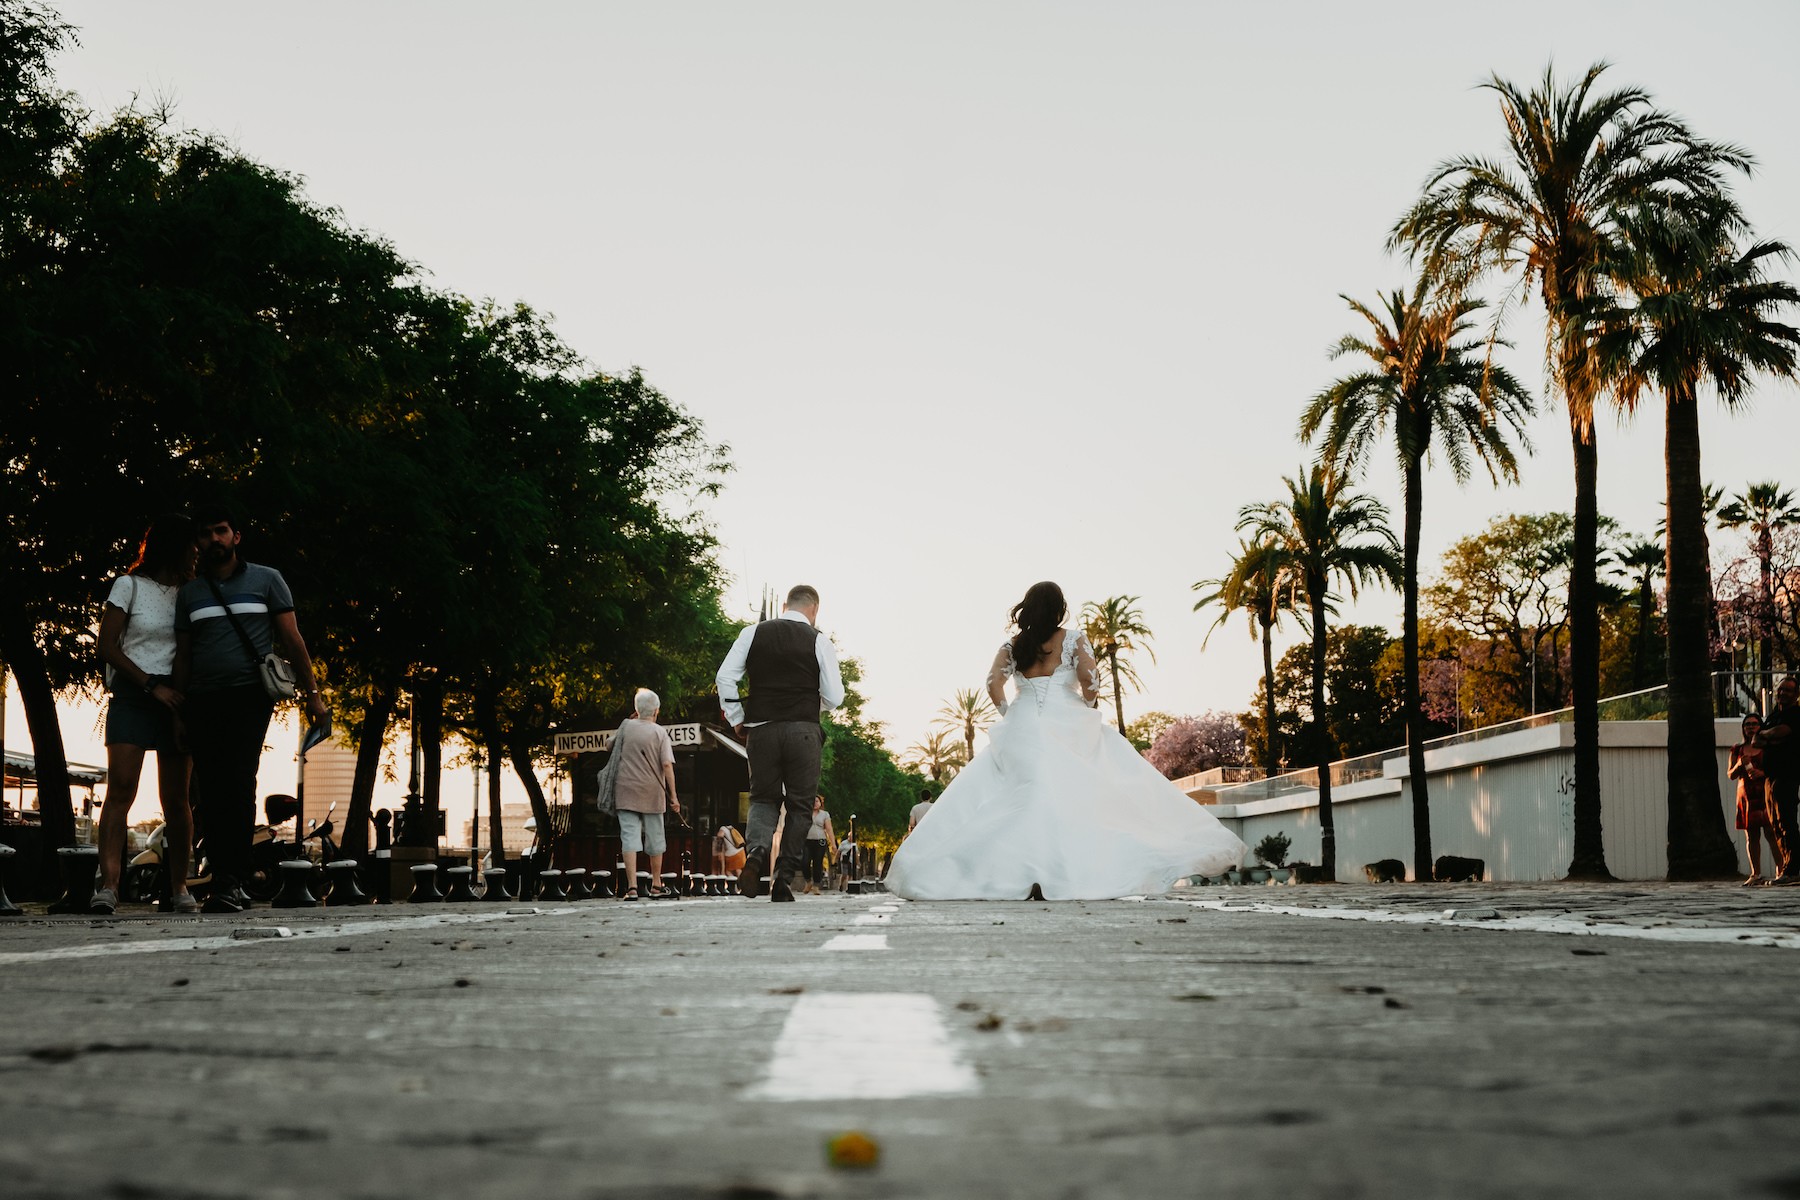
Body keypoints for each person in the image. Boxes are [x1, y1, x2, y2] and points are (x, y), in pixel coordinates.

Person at [886, 581, 1245, 900]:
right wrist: (1085, 705)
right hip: (1067, 719)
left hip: (1022, 721)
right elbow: (1090, 679)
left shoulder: (1013, 645)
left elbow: (993, 684)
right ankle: (1060, 873)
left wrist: (1010, 714)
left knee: (1022, 796)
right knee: (1078, 794)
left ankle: (1015, 873)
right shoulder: (1073, 638)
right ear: (1059, 608)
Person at [172, 505, 328, 913]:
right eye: (206, 533)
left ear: (236, 537)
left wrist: (313, 693)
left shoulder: (267, 580)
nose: (214, 539)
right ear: (197, 542)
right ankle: (223, 876)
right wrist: (178, 711)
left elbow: (292, 639)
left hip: (249, 696)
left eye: (221, 531)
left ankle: (232, 880)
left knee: (239, 782)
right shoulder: (190, 594)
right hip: (202, 699)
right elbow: (183, 656)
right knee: (210, 790)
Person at [91, 514, 201, 915]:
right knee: (121, 789)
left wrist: (177, 696)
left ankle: (179, 887)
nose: (197, 552)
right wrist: (152, 686)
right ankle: (109, 886)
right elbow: (107, 646)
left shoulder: (193, 592)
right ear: (174, 546)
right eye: (192, 545)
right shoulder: (130, 585)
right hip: (134, 693)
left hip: (178, 697)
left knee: (176, 799)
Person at [715, 584, 845, 902]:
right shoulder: (819, 640)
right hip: (803, 732)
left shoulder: (752, 633)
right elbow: (835, 696)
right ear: (814, 610)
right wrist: (808, 705)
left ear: (785, 605)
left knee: (762, 799)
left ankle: (756, 854)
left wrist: (737, 718)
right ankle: (783, 880)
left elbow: (725, 677)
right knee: (800, 806)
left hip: (762, 730)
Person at [611, 688, 682, 900]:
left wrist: (629, 722)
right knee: (655, 837)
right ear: (656, 710)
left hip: (626, 791)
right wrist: (674, 796)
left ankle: (632, 888)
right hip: (652, 793)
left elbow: (608, 745)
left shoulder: (625, 727)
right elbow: (667, 765)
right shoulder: (659, 732)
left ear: (636, 709)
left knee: (629, 837)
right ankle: (656, 885)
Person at [1761, 676, 1800, 886]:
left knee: (1786, 822)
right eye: (1781, 689)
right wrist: (1770, 737)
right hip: (1770, 777)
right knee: (1775, 823)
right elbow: (1756, 740)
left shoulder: (1795, 715)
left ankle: (1794, 869)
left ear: (1796, 694)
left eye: (1788, 690)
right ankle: (1786, 867)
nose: (1783, 693)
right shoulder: (1774, 715)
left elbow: (1781, 732)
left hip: (1787, 775)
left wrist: (1768, 736)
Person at [1729, 712, 1774, 886]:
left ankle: (1781, 870)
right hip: (1746, 796)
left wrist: (1762, 773)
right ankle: (1756, 874)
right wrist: (1739, 764)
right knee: (1752, 835)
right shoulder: (1737, 749)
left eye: (1754, 724)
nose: (1750, 727)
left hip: (1764, 793)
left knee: (1771, 832)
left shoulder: (1768, 747)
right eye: (1747, 724)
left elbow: (1777, 767)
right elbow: (1730, 774)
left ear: (1760, 726)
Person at [803, 795, 836, 894]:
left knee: (817, 863)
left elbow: (829, 829)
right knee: (805, 862)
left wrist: (833, 844)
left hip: (820, 841)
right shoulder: (806, 813)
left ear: (821, 803)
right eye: (813, 801)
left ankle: (816, 886)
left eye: (817, 801)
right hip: (807, 840)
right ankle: (808, 881)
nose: (815, 803)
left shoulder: (824, 814)